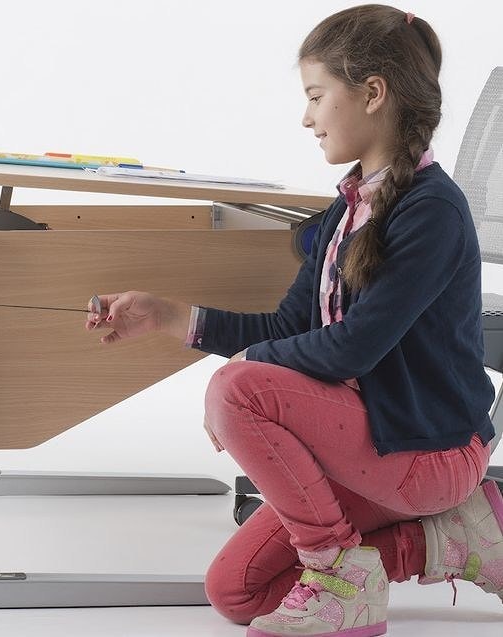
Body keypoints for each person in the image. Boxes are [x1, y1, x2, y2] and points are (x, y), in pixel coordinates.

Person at [85, 5, 503, 636]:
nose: (306, 118)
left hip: (429, 450)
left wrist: (245, 372)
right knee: (238, 591)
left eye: (315, 96)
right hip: (370, 441)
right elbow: (287, 332)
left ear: (372, 93)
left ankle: (340, 576)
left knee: (237, 388)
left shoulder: (433, 211)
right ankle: (453, 542)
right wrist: (170, 316)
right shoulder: (346, 212)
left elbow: (351, 350)